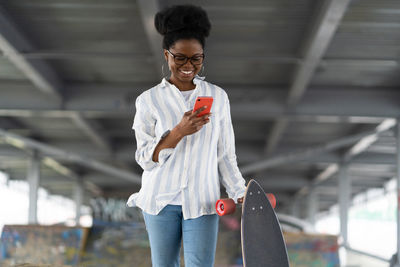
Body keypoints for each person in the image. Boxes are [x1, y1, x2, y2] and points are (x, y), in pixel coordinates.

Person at [127, 4, 246, 267]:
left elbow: (225, 153)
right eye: (180, 57)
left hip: (202, 200)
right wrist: (178, 132)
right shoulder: (149, 100)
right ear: (166, 55)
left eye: (196, 58)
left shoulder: (218, 97)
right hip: (159, 201)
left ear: (203, 57)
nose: (188, 66)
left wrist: (239, 190)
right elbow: (145, 158)